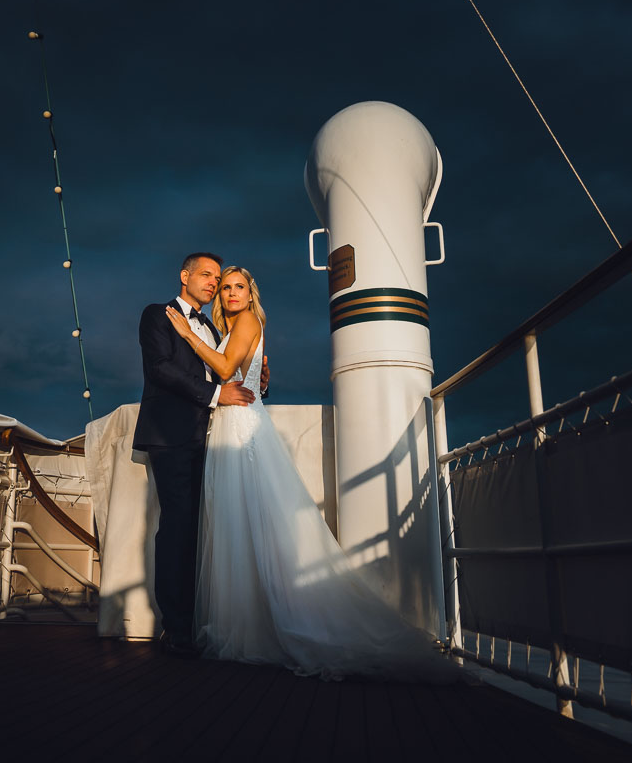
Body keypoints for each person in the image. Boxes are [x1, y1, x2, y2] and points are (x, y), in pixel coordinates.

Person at [166, 266, 462, 681]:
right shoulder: (233, 325)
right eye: (226, 288)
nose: (231, 294)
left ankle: (274, 623)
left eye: (239, 288)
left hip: (243, 428)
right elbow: (242, 373)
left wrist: (186, 336)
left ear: (251, 296)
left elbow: (224, 366)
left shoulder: (247, 321)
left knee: (256, 524)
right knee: (243, 526)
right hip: (234, 422)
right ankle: (249, 622)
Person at [133, 252, 267, 659]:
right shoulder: (158, 314)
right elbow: (160, 368)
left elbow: (229, 371)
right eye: (207, 276)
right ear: (184, 276)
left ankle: (199, 619)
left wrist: (256, 380)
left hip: (210, 440)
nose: (214, 284)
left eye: (219, 279)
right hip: (170, 435)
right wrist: (215, 393)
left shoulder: (214, 326)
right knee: (176, 528)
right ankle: (176, 629)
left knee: (200, 531)